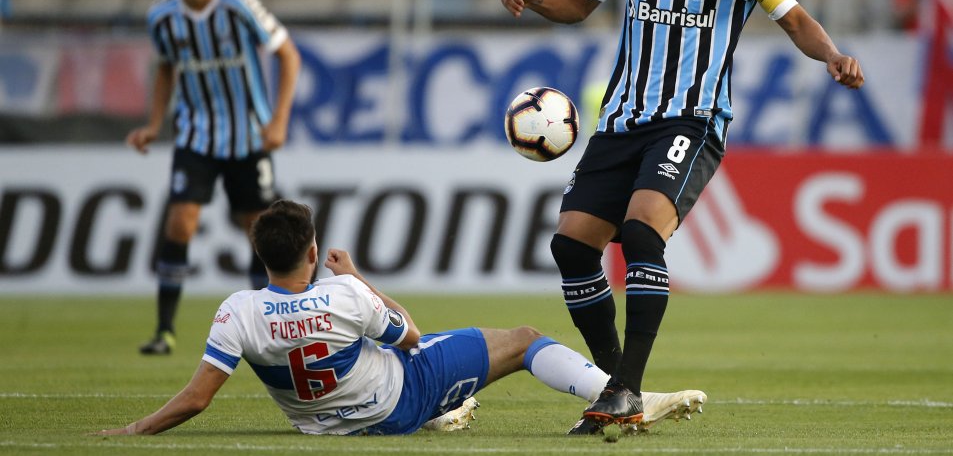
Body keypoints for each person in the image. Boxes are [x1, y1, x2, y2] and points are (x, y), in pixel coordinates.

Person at [500, 0, 864, 434]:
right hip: (621, 121)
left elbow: (793, 17)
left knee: (642, 233)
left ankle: (624, 390)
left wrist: (831, 54)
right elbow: (575, 3)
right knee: (571, 247)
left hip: (691, 121)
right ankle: (616, 390)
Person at [96, 199, 707, 437]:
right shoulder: (343, 294)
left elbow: (197, 399)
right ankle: (624, 394)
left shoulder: (237, 312)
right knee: (520, 340)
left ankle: (448, 410)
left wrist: (130, 431)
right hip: (395, 402)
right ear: (313, 252)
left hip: (324, 424)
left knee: (420, 349)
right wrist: (357, 275)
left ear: (259, 255)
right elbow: (409, 334)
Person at [127, 0, 301, 356]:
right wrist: (154, 124)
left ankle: (267, 331)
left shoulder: (238, 3)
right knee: (180, 221)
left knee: (258, 231)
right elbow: (167, 68)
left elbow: (287, 53)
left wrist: (278, 120)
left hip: (248, 135)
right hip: (197, 135)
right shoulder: (163, 17)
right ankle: (164, 331)